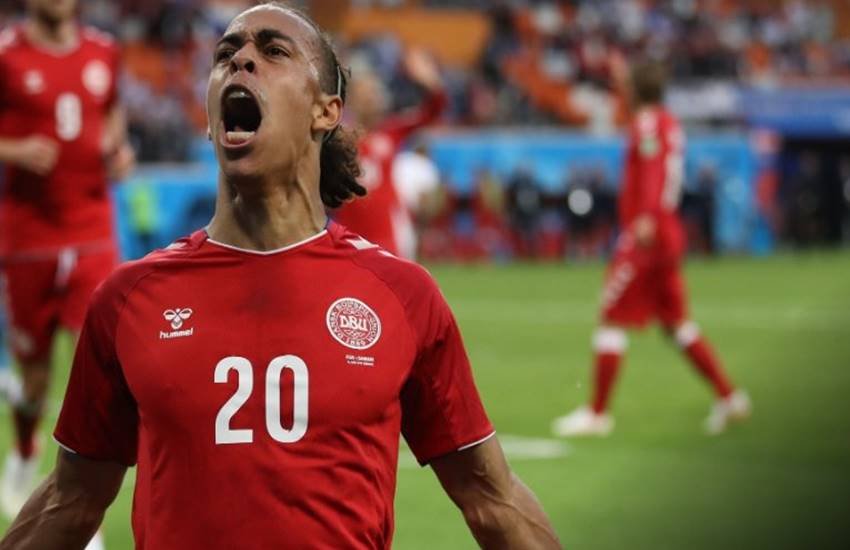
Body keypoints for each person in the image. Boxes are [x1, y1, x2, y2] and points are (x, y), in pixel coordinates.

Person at [0, 4, 562, 549]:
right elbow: (69, 501)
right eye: (226, 54)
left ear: (326, 111)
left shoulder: (403, 297)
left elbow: (493, 501)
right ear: (210, 118)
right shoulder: (128, 300)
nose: (241, 60)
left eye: (273, 51)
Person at [551, 61, 750, 437]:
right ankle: (730, 397)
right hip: (666, 232)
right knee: (676, 324)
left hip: (649, 235)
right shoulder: (667, 121)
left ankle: (597, 414)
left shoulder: (647, 123)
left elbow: (654, 169)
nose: (622, 89)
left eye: (627, 83)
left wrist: (645, 216)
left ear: (636, 88)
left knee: (611, 316)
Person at [0, 0, 134, 528]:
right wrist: (15, 151)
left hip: (92, 234)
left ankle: (78, 506)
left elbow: (113, 110)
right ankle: (24, 449)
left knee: (94, 366)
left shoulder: (104, 50)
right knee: (34, 381)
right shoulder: (7, 55)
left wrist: (118, 148)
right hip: (29, 239)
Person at [333, 47, 447, 257]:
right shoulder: (339, 137)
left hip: (388, 231)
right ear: (353, 101)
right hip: (352, 231)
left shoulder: (391, 131)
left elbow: (432, 112)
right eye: (366, 94)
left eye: (376, 94)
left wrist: (431, 83)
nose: (373, 100)